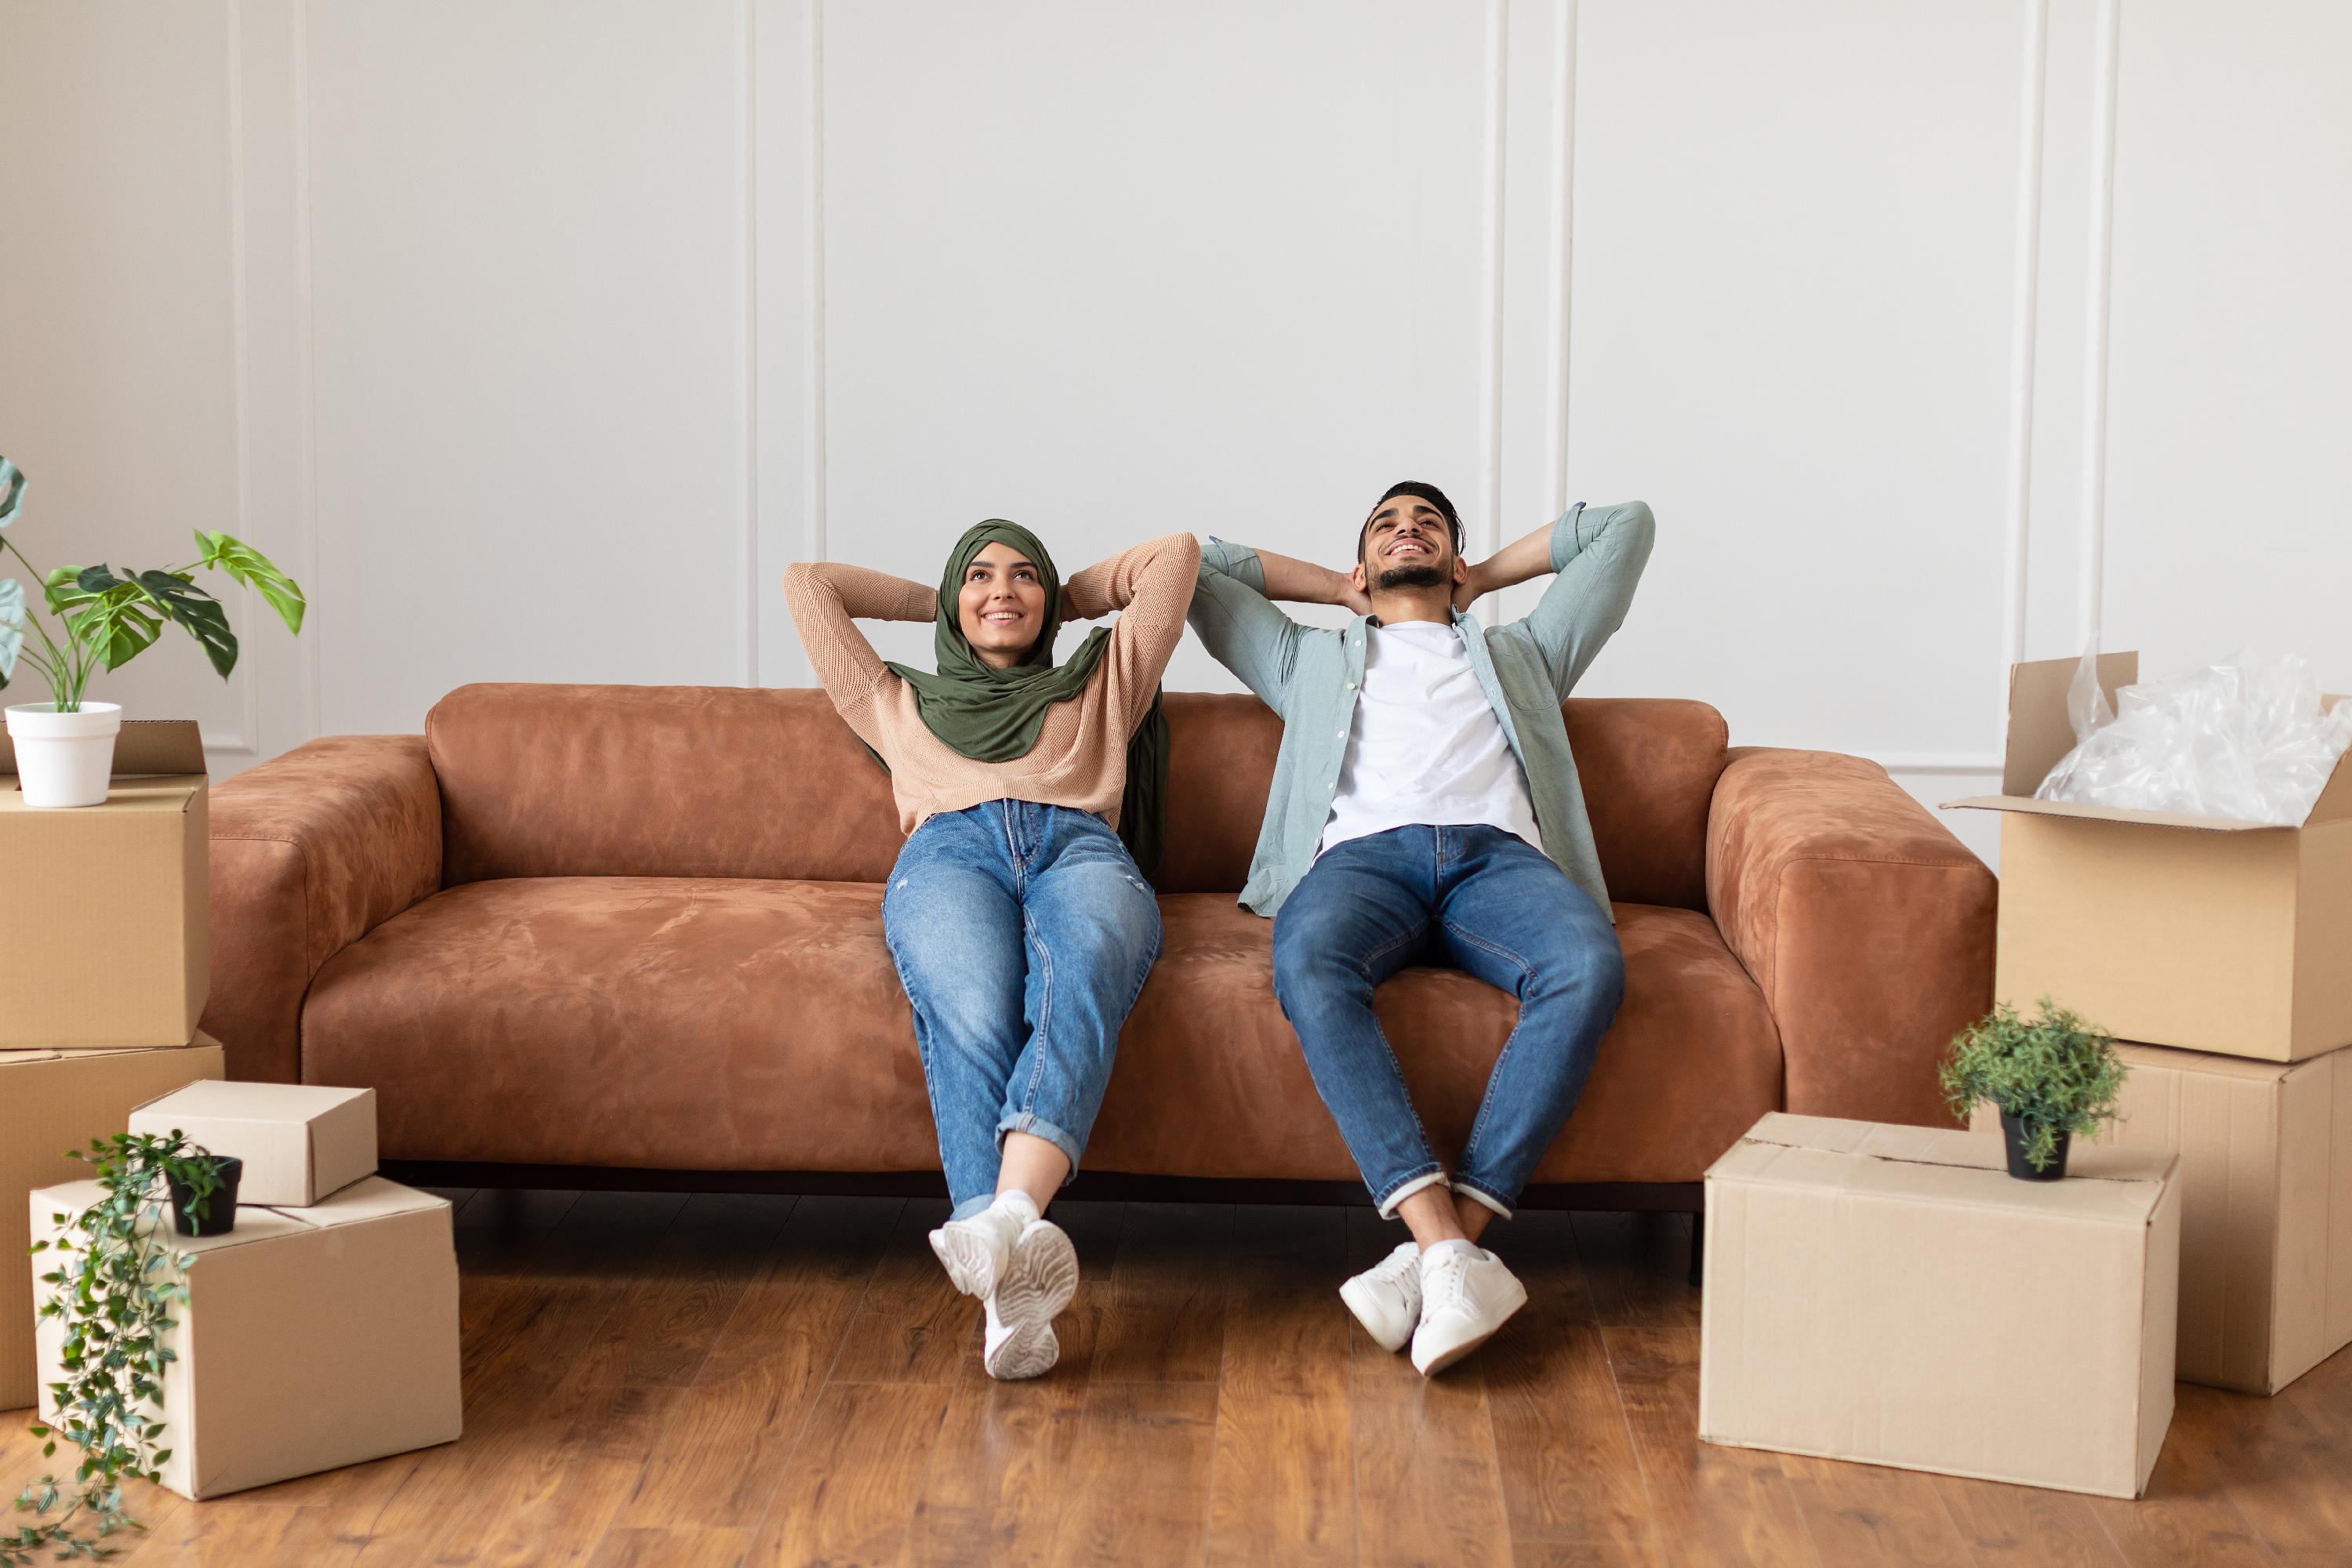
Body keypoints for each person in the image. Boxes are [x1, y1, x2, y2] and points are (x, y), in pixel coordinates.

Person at [1187, 482, 1653, 1374]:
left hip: (1500, 862)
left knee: (1588, 964)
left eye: (1428, 524)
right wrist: (1333, 582)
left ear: (1456, 559)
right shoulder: (1306, 661)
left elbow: (1625, 528)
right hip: (1361, 863)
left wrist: (1483, 579)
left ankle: (1436, 1250)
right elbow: (1193, 564)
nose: (1408, 532)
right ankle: (1452, 1251)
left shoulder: (1526, 651)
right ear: (1366, 560)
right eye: (1388, 526)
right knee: (1310, 961)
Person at [783, 521, 1198, 1380]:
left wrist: (1059, 591)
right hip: (950, 853)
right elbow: (807, 583)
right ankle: (1009, 1289)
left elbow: (1176, 556)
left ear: (1050, 599)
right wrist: (946, 592)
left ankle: (1004, 1220)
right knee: (973, 1004)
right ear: (951, 599)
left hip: (1079, 848)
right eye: (977, 577)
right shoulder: (893, 699)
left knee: (1078, 975)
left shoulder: (1103, 682)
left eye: (1023, 577)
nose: (1000, 590)